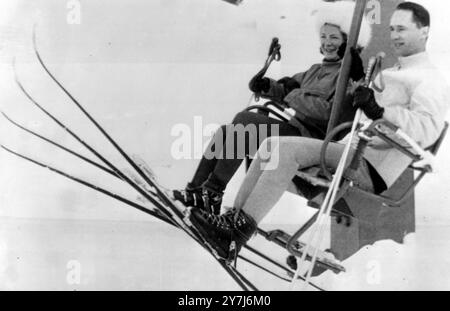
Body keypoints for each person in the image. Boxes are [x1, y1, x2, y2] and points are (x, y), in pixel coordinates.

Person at [188, 2, 450, 261]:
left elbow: (426, 130)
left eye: (402, 29)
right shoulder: (394, 72)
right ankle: (231, 223)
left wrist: (379, 111)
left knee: (282, 147)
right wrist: (363, 88)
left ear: (424, 31)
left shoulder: (430, 78)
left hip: (370, 166)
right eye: (392, 29)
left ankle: (235, 230)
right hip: (351, 150)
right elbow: (360, 103)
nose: (394, 36)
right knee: (270, 146)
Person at [173, 1, 372, 215]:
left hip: (311, 139)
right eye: (323, 37)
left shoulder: (347, 78)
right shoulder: (316, 70)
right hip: (294, 131)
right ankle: (196, 191)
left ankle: (213, 193)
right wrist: (266, 86)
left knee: (245, 121)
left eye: (334, 37)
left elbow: (327, 113)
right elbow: (286, 88)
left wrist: (291, 95)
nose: (327, 43)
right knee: (225, 132)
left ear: (346, 42)